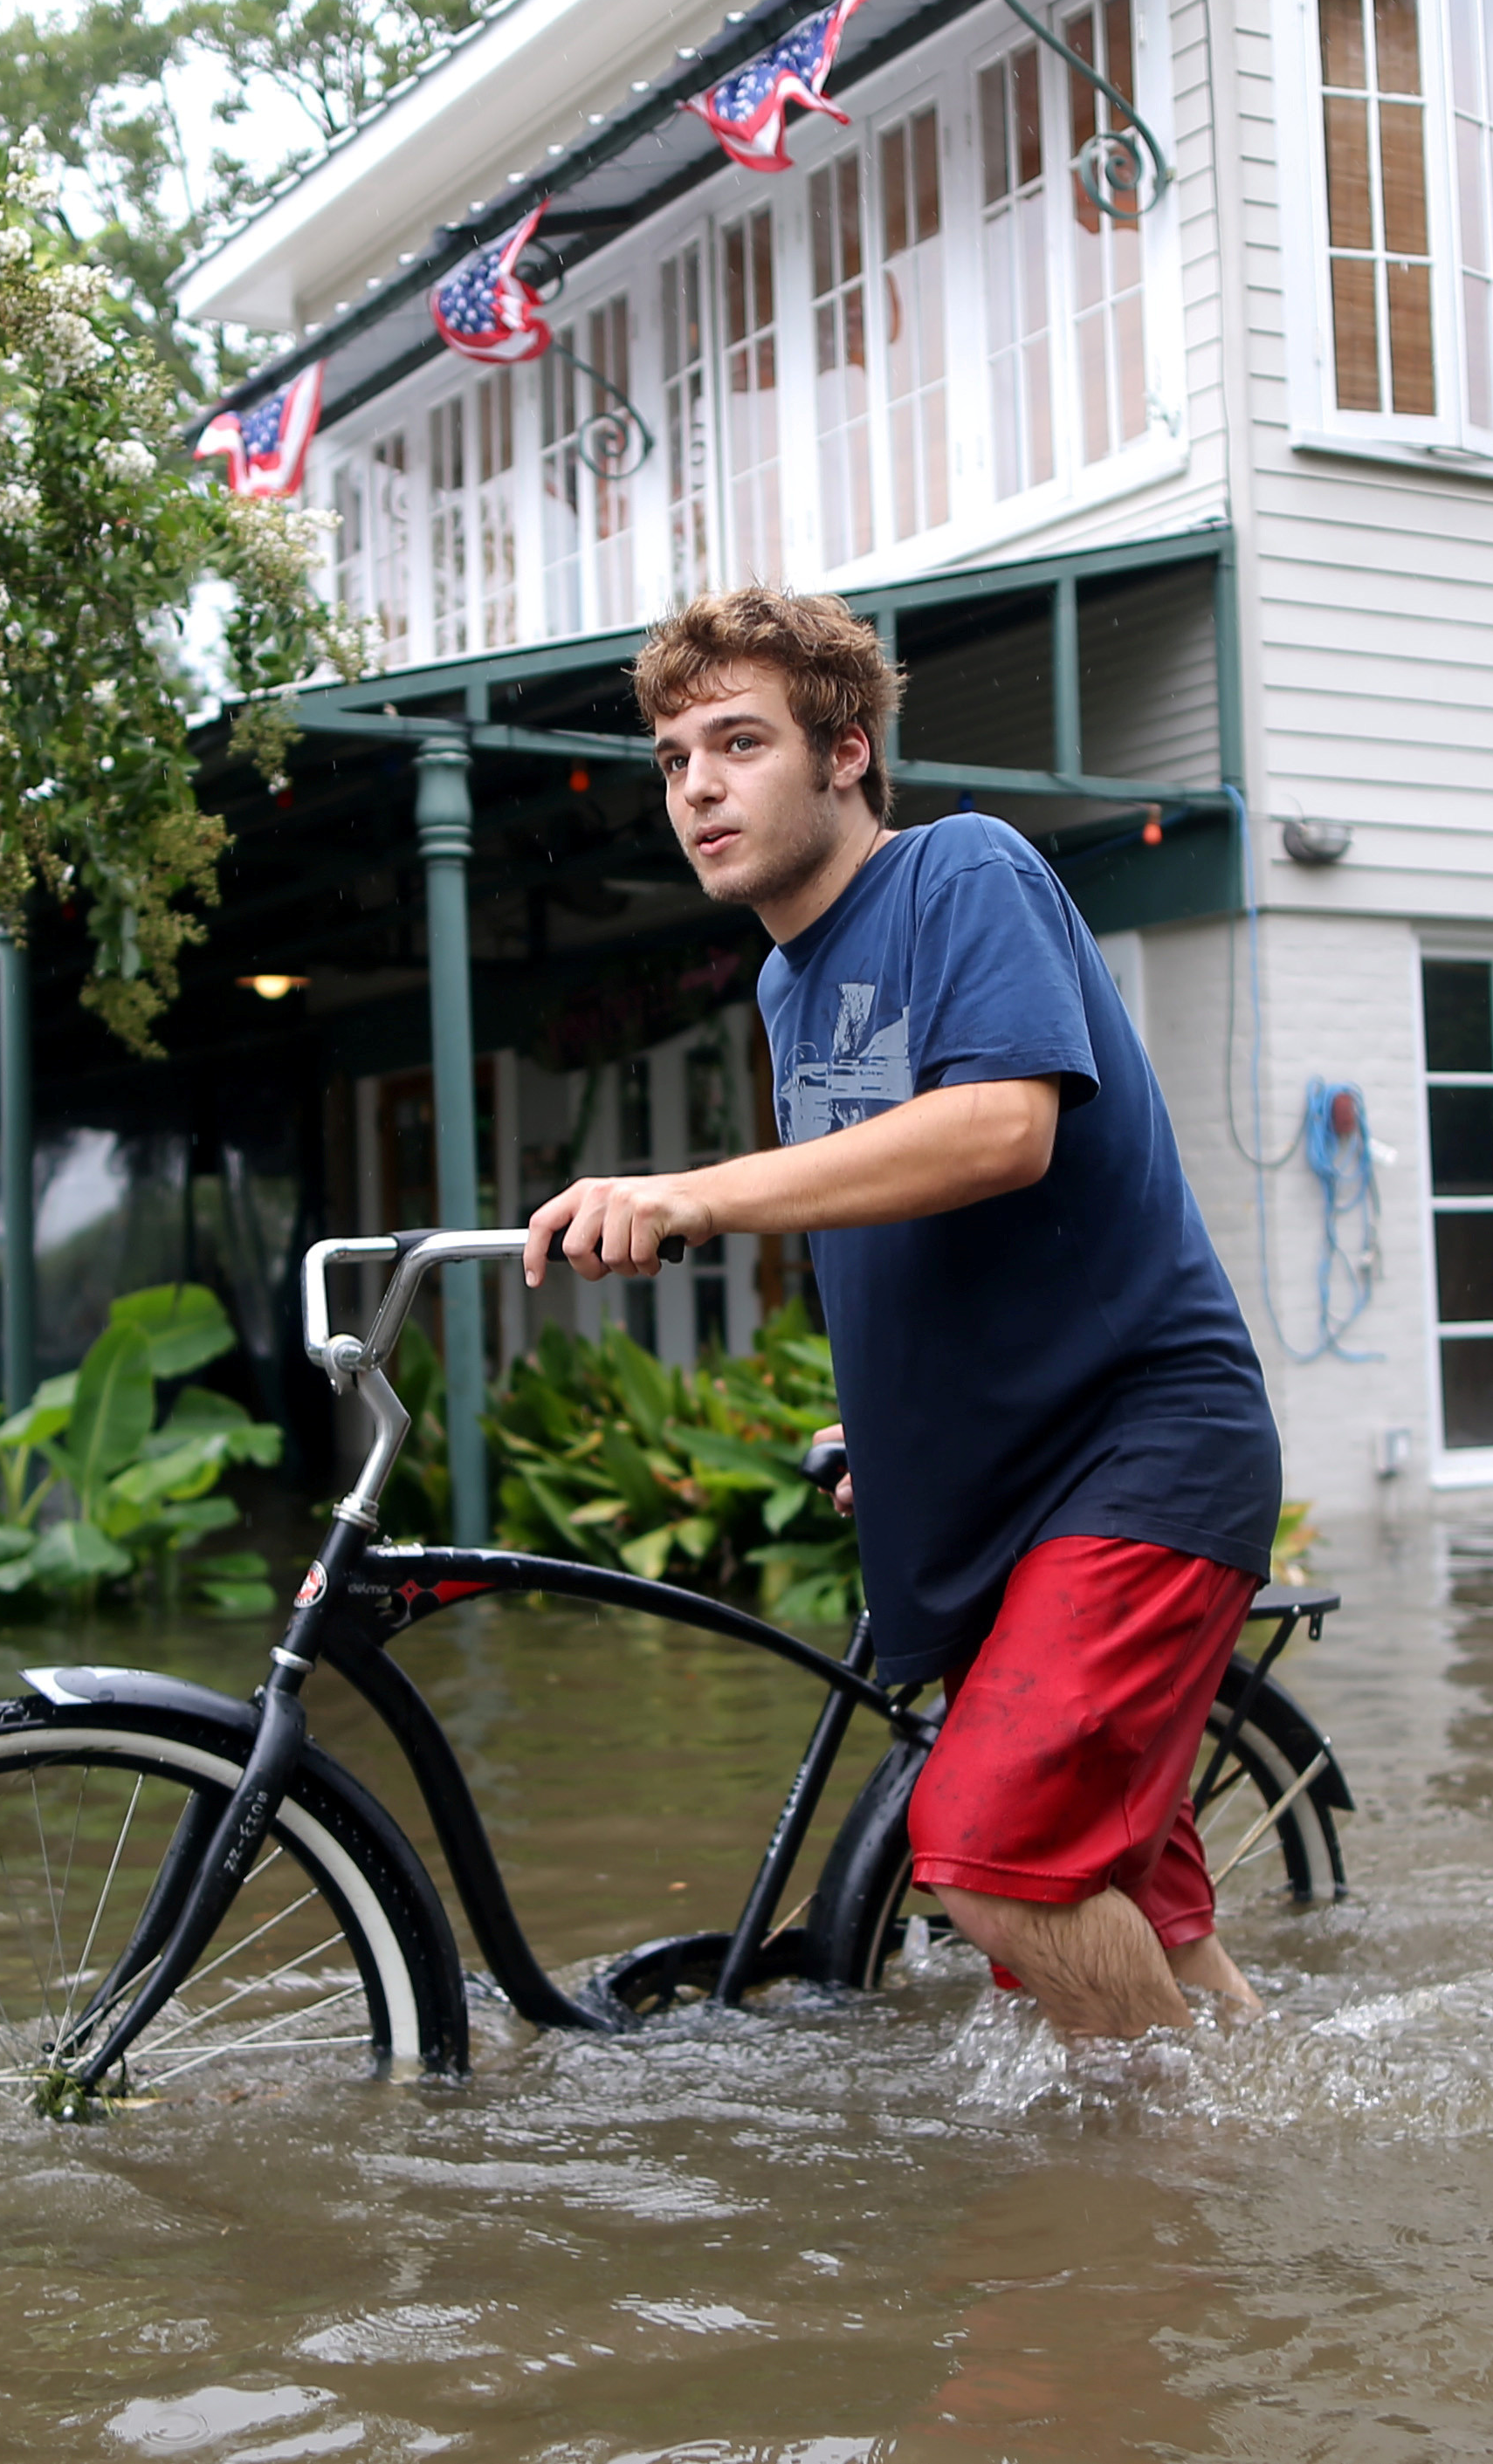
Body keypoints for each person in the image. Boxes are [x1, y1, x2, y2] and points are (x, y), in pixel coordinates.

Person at [521, 586, 1286, 2040]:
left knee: (992, 1858)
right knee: (1132, 1905)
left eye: (738, 743)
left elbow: (998, 1130)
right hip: (996, 1473)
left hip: (1138, 1449)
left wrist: (695, 1192)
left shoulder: (960, 875)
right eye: (673, 758)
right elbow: (886, 1214)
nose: (697, 787)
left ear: (847, 752)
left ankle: (1181, 2201)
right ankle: (1256, 2128)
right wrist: (895, 1419)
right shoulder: (782, 979)